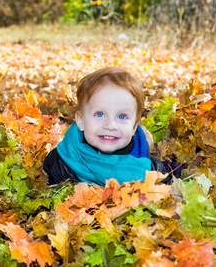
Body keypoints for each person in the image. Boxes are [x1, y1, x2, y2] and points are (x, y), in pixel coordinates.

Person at [43, 67, 173, 186]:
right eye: (100, 114)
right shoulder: (63, 160)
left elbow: (166, 179)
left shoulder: (145, 165)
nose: (110, 125)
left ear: (134, 127)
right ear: (81, 121)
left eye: (122, 116)